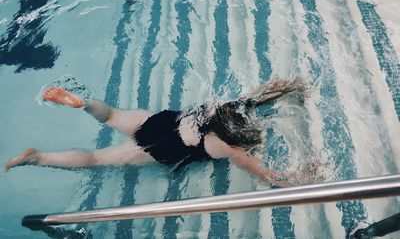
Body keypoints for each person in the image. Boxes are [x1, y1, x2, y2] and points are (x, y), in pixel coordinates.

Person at [4, 79, 311, 186]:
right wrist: (298, 179)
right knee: (96, 159)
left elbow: (258, 95)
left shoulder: (227, 106)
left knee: (110, 114)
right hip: (155, 148)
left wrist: (289, 87)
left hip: (158, 122)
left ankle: (84, 103)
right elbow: (266, 174)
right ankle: (38, 157)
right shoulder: (227, 147)